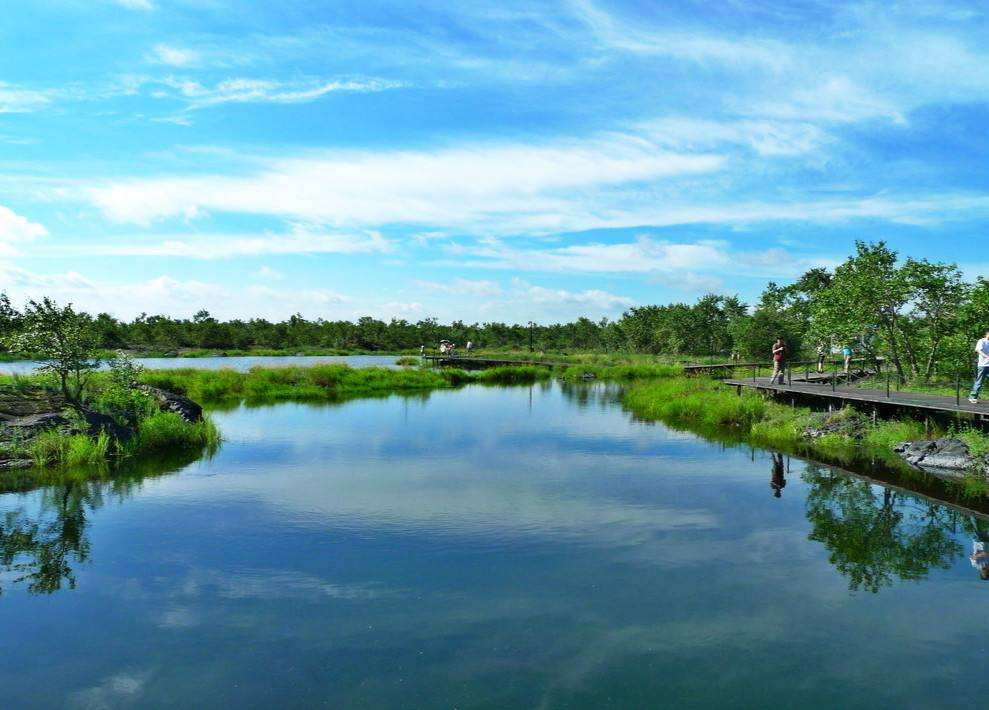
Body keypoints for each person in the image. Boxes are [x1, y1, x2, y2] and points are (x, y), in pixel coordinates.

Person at [969, 330, 989, 404]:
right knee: (979, 381)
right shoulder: (982, 341)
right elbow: (978, 350)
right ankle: (972, 397)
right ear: (987, 334)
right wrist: (987, 356)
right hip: (983, 365)